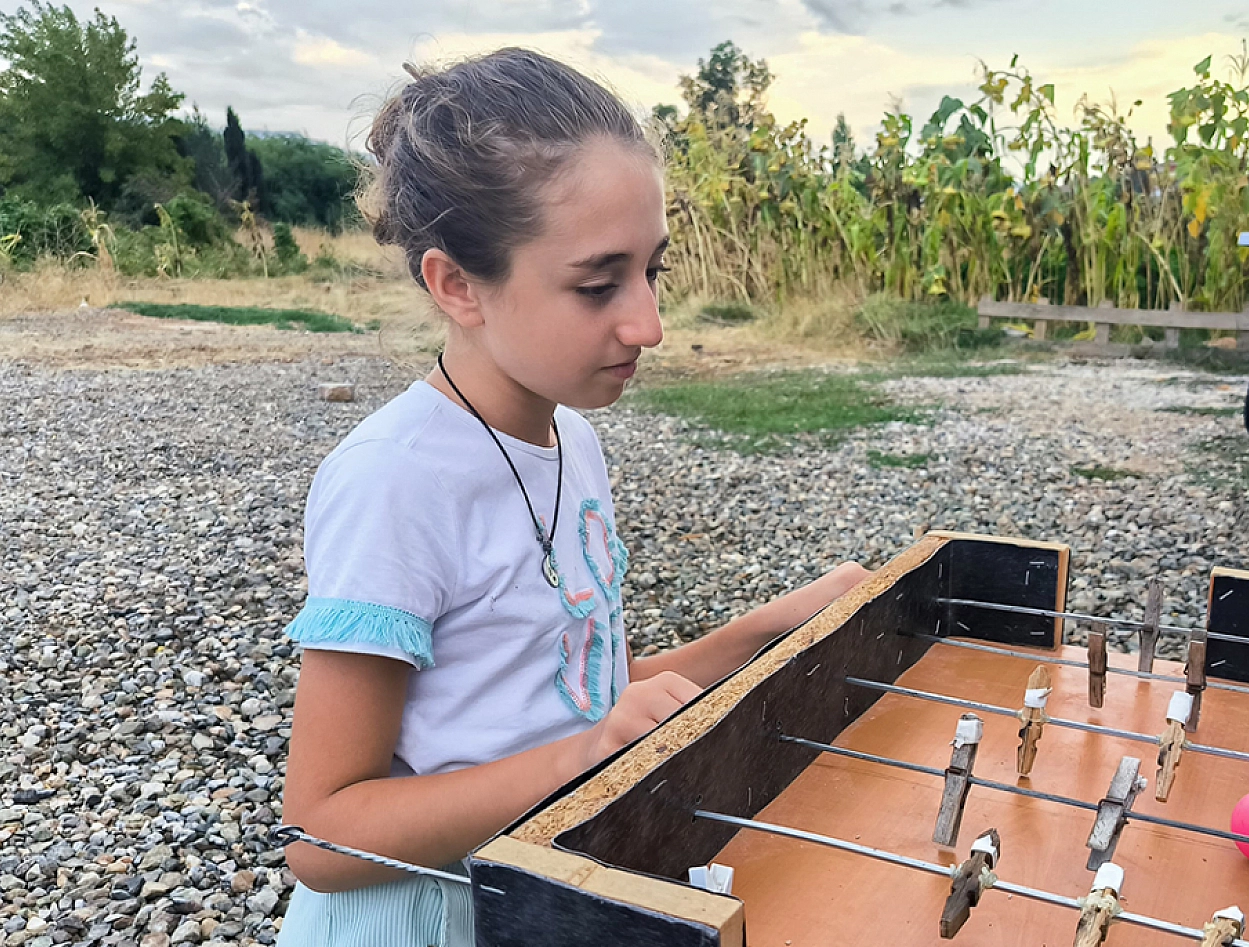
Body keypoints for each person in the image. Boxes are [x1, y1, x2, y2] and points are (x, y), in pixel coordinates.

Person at [274, 48, 871, 945]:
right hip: (430, 920)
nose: (648, 324)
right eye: (598, 285)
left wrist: (775, 628)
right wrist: (589, 754)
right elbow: (322, 832)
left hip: (542, 896)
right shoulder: (393, 481)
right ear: (458, 285)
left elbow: (572, 703)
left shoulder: (571, 438)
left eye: (652, 272)